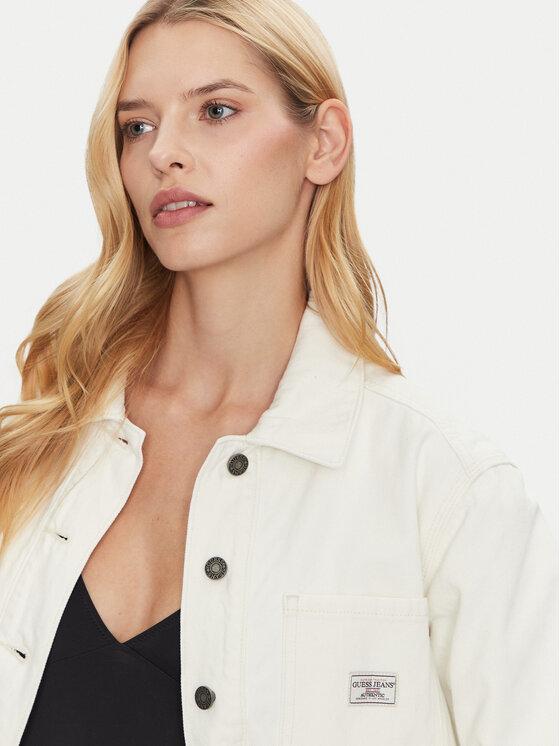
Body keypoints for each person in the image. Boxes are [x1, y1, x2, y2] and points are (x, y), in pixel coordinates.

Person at [0, 1, 555, 744]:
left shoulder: (446, 489)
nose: (164, 152)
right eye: (137, 126)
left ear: (322, 143)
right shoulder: (38, 453)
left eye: (216, 111)